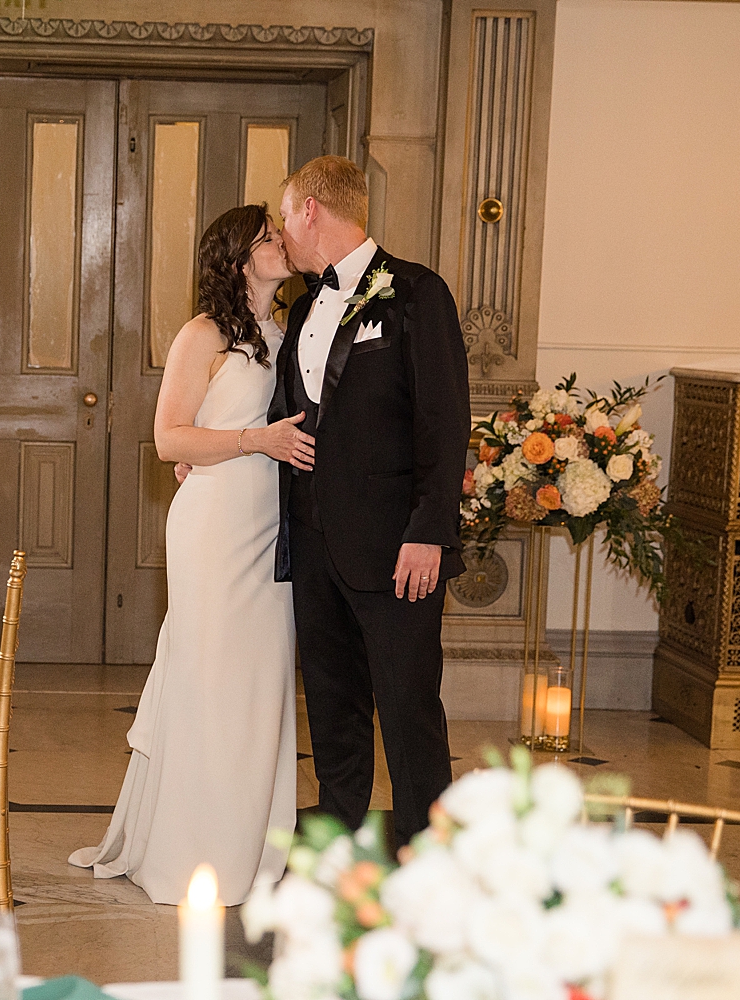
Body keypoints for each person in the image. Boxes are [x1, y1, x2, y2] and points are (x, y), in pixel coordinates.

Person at [69, 204, 315, 905]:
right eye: (269, 237)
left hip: (270, 524)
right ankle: (194, 850)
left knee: (260, 682)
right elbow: (170, 440)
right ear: (239, 257)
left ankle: (251, 844)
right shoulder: (202, 333)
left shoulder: (285, 330)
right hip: (214, 526)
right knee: (210, 677)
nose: (282, 243)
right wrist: (250, 441)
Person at [268, 155, 470, 847]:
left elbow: (444, 425)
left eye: (285, 217)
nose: (284, 234)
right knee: (330, 706)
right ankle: (334, 843)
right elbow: (287, 416)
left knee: (409, 709)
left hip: (396, 549)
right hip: (315, 542)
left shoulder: (417, 292)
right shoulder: (300, 309)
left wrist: (431, 533)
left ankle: (429, 856)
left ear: (310, 212)